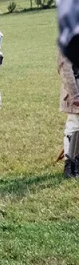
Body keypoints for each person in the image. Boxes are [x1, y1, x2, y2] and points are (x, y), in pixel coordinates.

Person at [58, 50, 79, 178]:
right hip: (76, 89)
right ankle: (70, 165)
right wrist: (75, 94)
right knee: (74, 126)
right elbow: (65, 69)